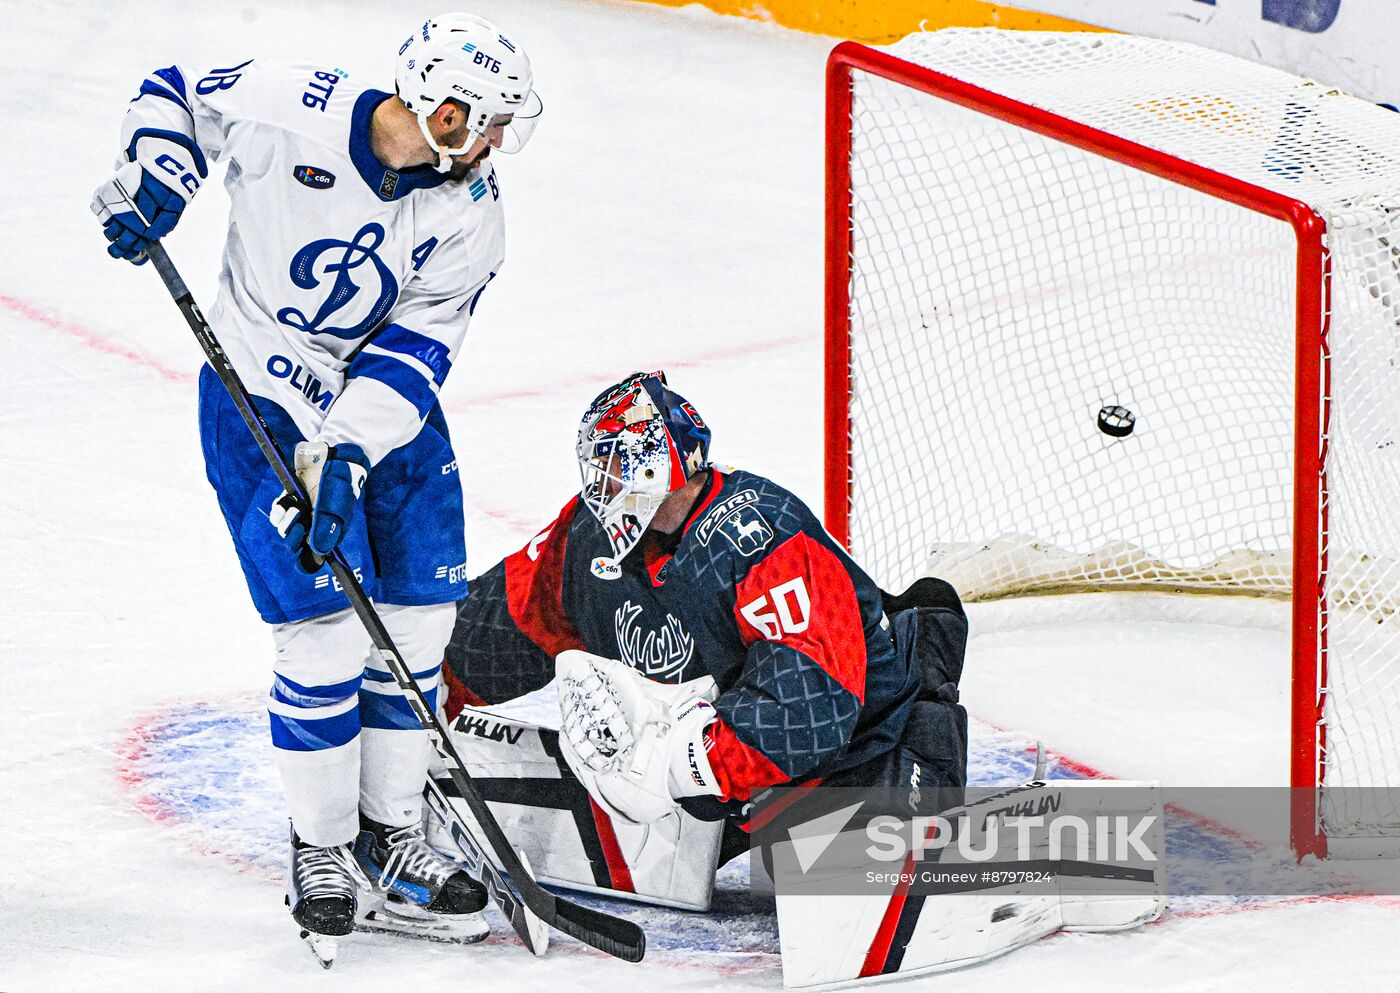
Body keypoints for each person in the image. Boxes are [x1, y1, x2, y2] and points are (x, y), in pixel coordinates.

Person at [90, 12, 543, 962]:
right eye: (482, 122)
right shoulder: (296, 104)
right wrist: (160, 173)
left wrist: (344, 452)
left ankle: (389, 834)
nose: (493, 144)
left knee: (421, 617)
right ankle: (322, 845)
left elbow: (420, 350)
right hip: (261, 387)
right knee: (329, 625)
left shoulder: (474, 212)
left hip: (380, 404)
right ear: (436, 103)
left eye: (505, 125)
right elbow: (178, 88)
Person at [442, 371, 970, 853]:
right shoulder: (588, 534)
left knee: (851, 902)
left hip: (854, 753)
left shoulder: (761, 536)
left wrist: (683, 766)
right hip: (725, 783)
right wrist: (419, 687)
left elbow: (810, 705)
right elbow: (510, 618)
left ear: (654, 465)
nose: (599, 485)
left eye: (613, 466)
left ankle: (936, 768)